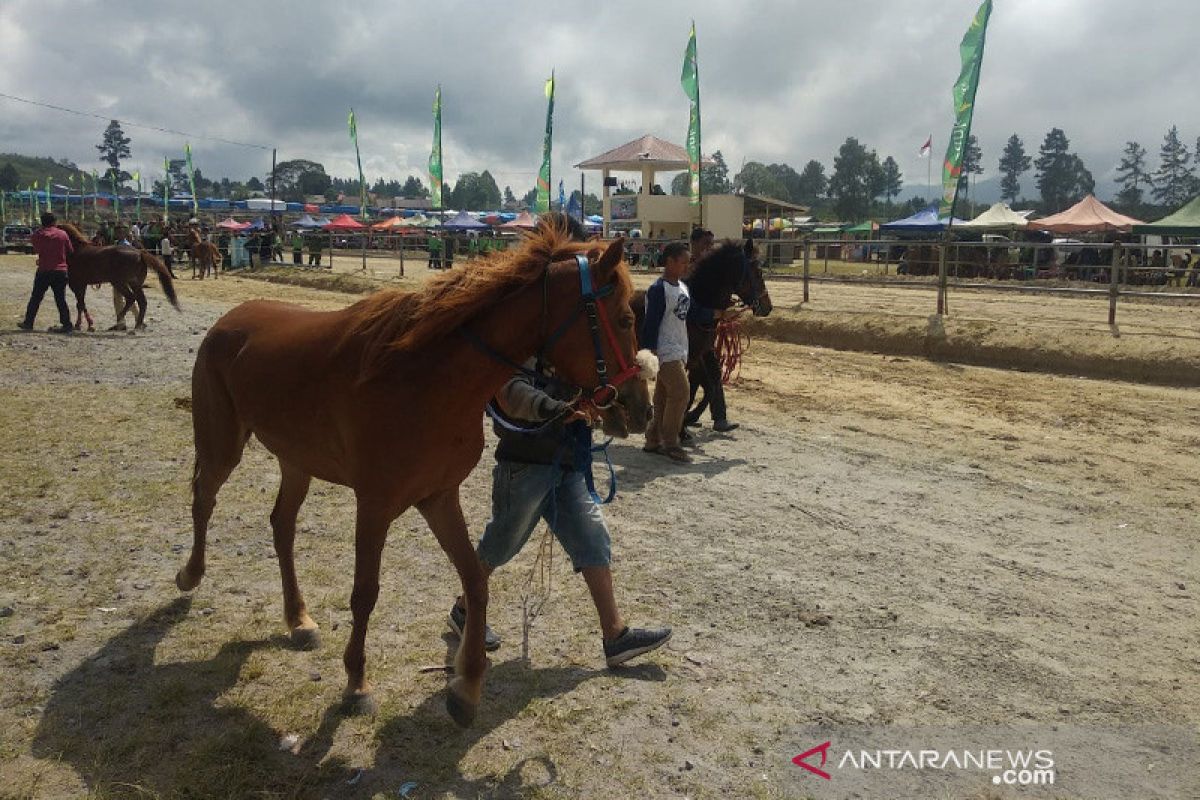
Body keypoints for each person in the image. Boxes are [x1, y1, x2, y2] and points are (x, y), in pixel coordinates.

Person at [446, 211, 671, 667]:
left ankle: (616, 636)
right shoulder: (519, 320)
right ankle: (463, 611)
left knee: (592, 537)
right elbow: (507, 390)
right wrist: (556, 409)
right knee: (501, 543)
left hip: (567, 456)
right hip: (526, 458)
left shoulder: (571, 320)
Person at [641, 241, 693, 463]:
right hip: (664, 350)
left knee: (663, 397)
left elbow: (688, 314)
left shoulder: (682, 287)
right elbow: (650, 323)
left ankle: (653, 438)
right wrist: (650, 352)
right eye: (683, 262)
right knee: (681, 392)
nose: (686, 267)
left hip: (679, 349)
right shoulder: (657, 290)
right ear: (670, 262)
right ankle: (671, 443)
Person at [684, 228, 739, 434]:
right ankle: (714, 417)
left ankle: (692, 415)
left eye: (711, 243)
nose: (709, 247)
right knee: (710, 374)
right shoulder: (686, 267)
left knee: (702, 376)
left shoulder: (709, 269)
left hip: (703, 331)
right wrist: (716, 313)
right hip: (691, 330)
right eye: (705, 243)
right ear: (694, 243)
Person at [18, 212, 73, 334]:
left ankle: (28, 322)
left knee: (36, 297)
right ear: (54, 222)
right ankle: (67, 324)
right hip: (60, 270)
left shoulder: (38, 234)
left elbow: (37, 249)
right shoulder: (63, 234)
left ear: (42, 222)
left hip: (44, 270)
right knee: (60, 299)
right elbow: (70, 250)